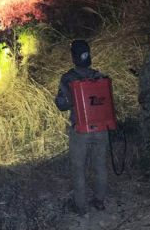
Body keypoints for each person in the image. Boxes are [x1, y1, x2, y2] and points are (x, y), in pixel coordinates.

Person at [55, 40, 109, 215]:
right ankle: (99, 201)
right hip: (101, 129)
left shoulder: (68, 78)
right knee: (100, 165)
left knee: (78, 168)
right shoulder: (99, 76)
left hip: (81, 130)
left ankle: (80, 206)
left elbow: (63, 104)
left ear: (74, 57)